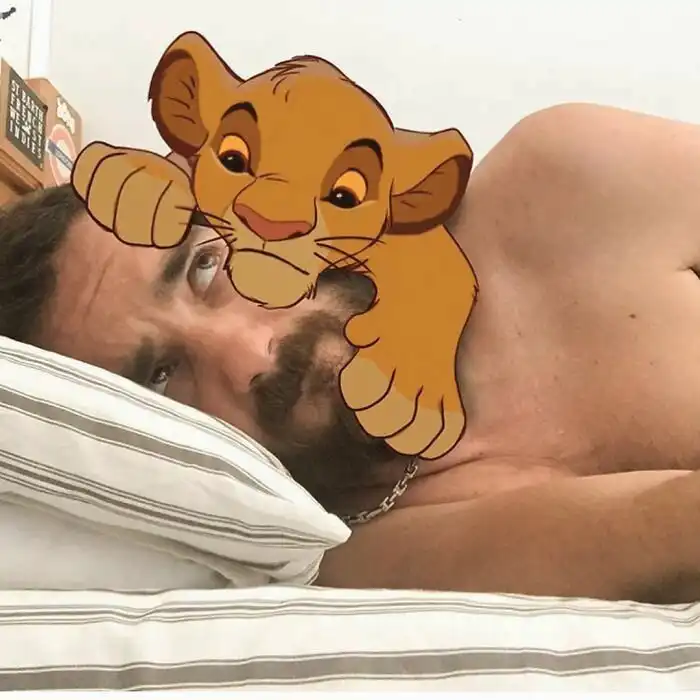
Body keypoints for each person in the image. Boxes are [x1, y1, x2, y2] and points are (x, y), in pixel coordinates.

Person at [4, 102, 700, 604]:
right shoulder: (360, 556)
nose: (248, 356)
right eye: (160, 379)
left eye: (205, 266)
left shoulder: (564, 181)